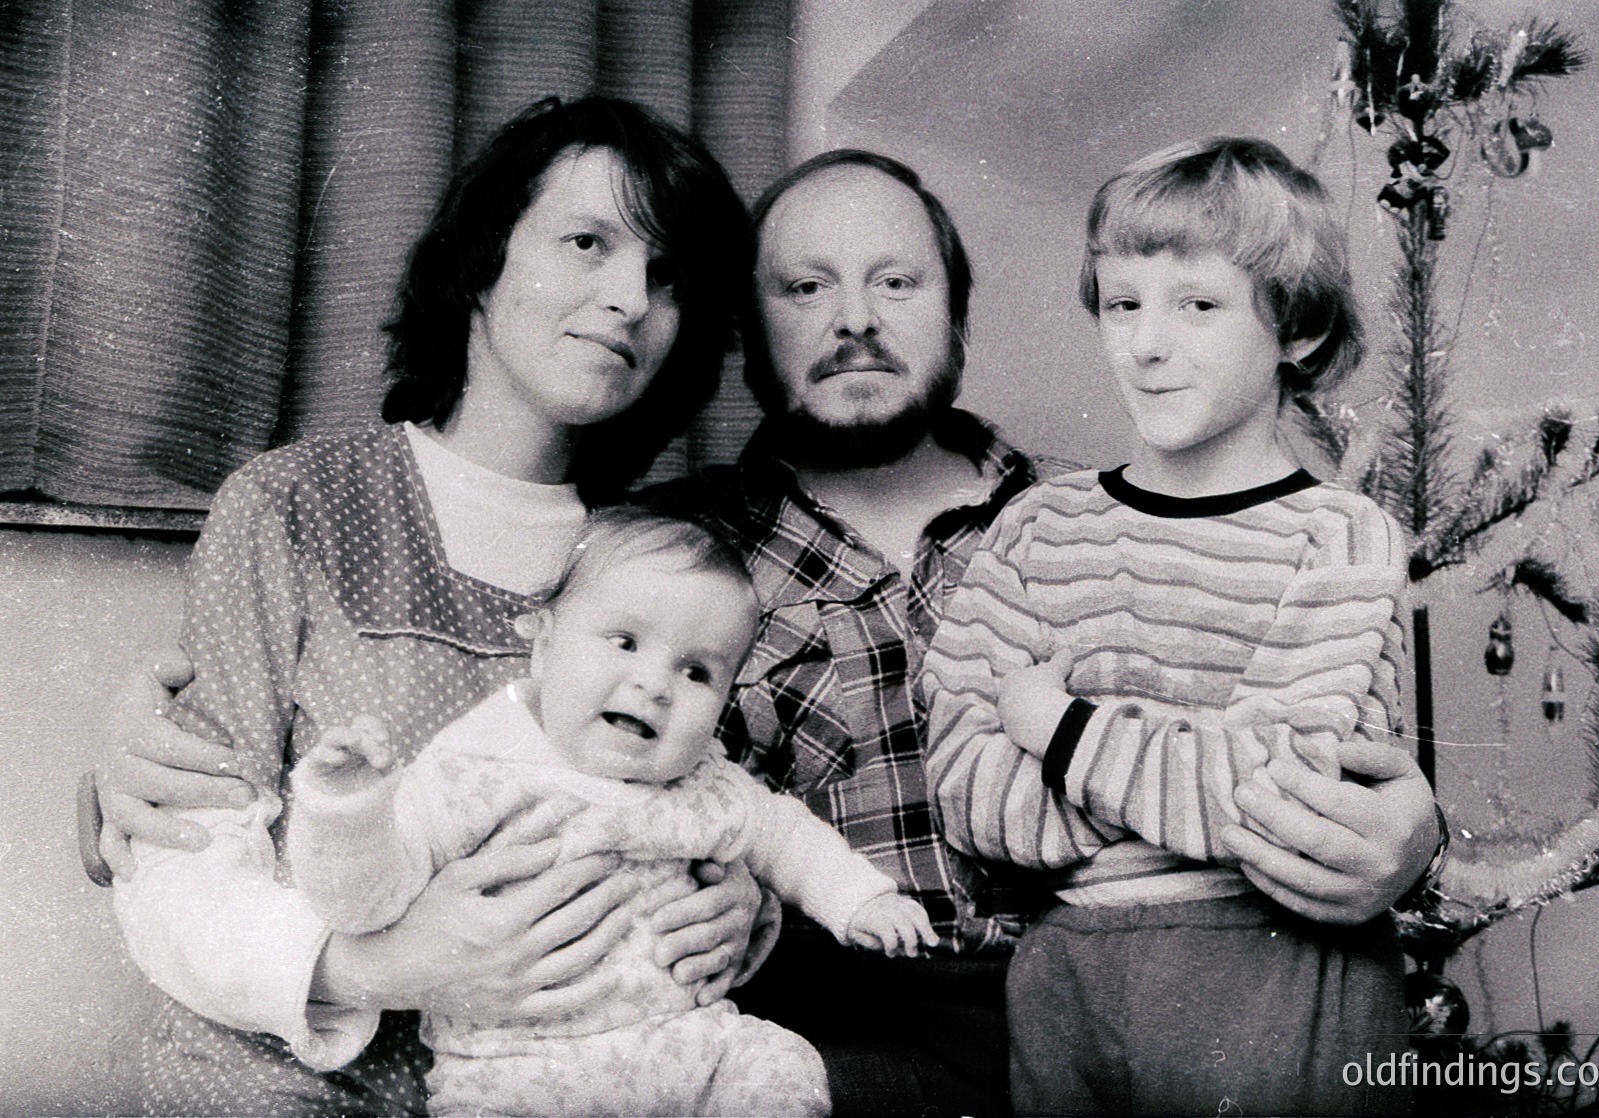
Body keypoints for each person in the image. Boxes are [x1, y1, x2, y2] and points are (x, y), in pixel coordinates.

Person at [89, 144, 1444, 1117]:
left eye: (896, 282)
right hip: (836, 1027)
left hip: (1099, 993)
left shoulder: (1089, 522)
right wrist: (122, 770)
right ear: (747, 335)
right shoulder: (674, 561)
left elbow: (1313, 728)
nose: (854, 319)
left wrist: (1411, 835)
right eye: (804, 288)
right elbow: (534, 754)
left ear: (958, 314)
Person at [91, 96, 763, 1116]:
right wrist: (377, 966)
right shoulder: (294, 503)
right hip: (281, 1086)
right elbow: (173, 861)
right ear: (481, 259)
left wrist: (739, 912)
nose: (631, 298)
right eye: (588, 242)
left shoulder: (667, 565)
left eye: (667, 275)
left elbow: (693, 817)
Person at [921, 136, 1413, 1116]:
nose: (1145, 345)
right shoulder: (1037, 527)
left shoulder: (1341, 536)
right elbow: (965, 788)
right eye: (1122, 303)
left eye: (1197, 305)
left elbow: (1282, 803)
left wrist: (1060, 728)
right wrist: (1192, 784)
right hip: (1066, 979)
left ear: (1298, 328)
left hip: (1280, 970)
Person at [262, 508, 937, 1117]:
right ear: (543, 644)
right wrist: (347, 809)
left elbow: (783, 833)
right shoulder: (475, 770)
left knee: (780, 1068)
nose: (655, 685)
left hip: (686, 1046)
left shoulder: (703, 784)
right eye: (625, 642)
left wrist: (860, 899)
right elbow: (361, 904)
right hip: (515, 1073)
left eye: (697, 672)